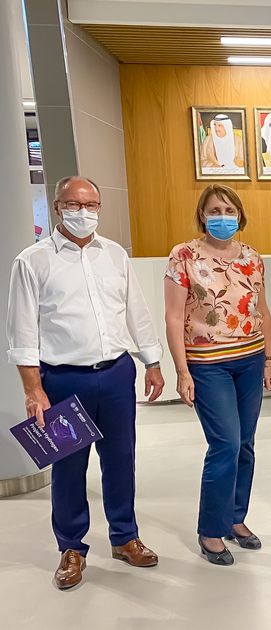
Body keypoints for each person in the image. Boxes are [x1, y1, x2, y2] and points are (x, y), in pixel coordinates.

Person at [6, 176, 165, 591]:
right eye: (74, 204)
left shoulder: (114, 255)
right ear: (57, 207)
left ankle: (124, 537)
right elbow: (22, 332)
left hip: (116, 374)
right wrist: (33, 389)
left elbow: (136, 311)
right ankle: (72, 548)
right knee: (69, 468)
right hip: (63, 380)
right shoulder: (32, 261)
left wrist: (152, 361)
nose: (83, 212)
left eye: (91, 204)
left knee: (121, 460)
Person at [164, 185, 271, 566]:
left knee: (245, 443)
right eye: (214, 211)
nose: (223, 217)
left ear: (240, 215)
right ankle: (210, 530)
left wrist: (269, 359)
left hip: (250, 360)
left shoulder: (252, 257)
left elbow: (263, 311)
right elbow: (174, 317)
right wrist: (182, 371)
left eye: (229, 211)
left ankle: (235, 518)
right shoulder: (183, 256)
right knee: (225, 443)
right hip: (207, 364)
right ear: (202, 215)